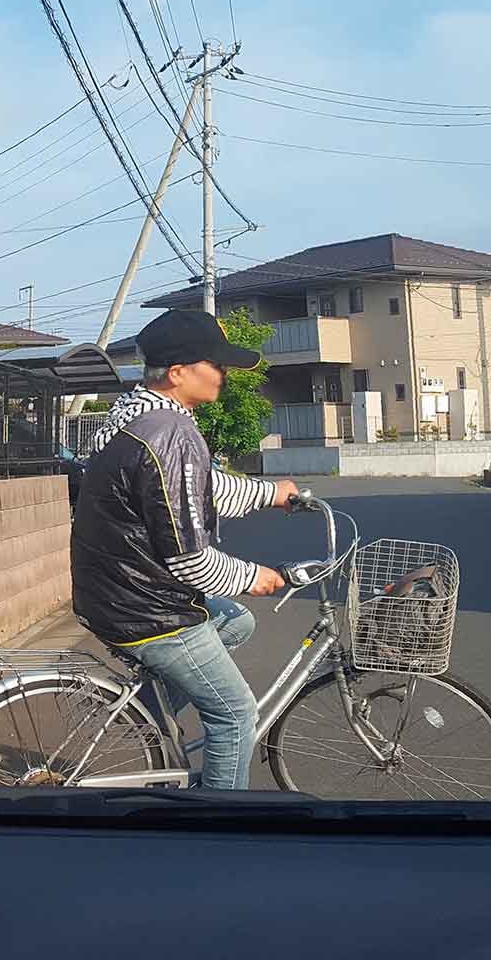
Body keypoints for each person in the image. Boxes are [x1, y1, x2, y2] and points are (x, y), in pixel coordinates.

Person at [71, 309, 298, 790]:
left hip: (114, 593)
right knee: (235, 714)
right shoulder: (171, 434)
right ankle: (216, 832)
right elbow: (189, 559)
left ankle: (149, 725)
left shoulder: (133, 417)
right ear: (178, 373)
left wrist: (271, 494)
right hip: (147, 608)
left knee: (236, 621)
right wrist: (257, 576)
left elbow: (200, 489)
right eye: (216, 364)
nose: (225, 373)